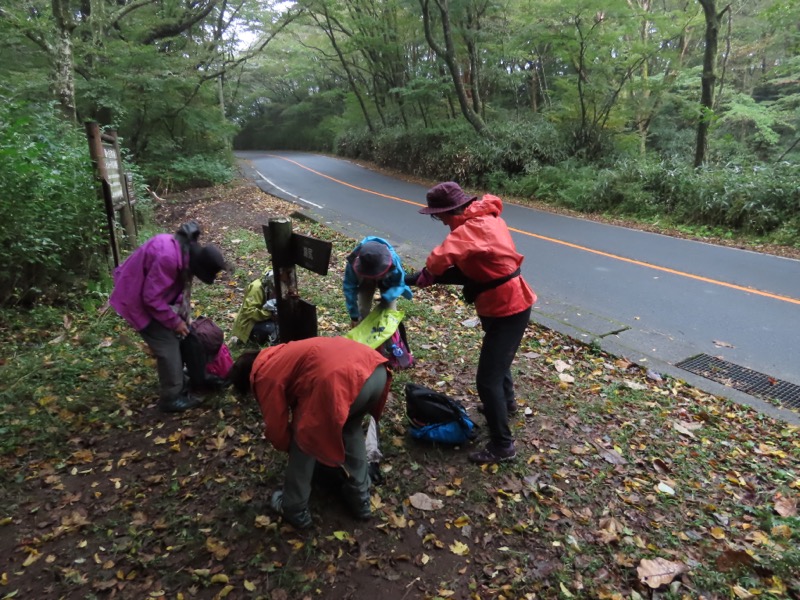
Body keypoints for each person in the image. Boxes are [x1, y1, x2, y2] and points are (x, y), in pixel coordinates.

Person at [407, 182, 536, 465]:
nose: (438, 220)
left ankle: (503, 446)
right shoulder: (484, 218)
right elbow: (466, 269)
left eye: (438, 215)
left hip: (508, 306)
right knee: (497, 362)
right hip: (501, 302)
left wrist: (428, 273)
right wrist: (418, 278)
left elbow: (441, 258)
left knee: (486, 380)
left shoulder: (472, 229)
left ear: (449, 211)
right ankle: (508, 404)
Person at [229, 337, 391, 529]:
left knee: (304, 437)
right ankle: (361, 498)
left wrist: (293, 446)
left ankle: (293, 507)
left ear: (247, 380)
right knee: (351, 427)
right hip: (375, 372)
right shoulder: (282, 352)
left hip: (342, 380)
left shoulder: (264, 374)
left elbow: (276, 429)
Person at [109, 221, 229, 413]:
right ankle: (171, 396)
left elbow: (174, 288)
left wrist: (183, 316)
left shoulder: (183, 252)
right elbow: (151, 298)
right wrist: (174, 321)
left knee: (186, 335)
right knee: (167, 344)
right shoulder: (168, 258)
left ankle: (196, 377)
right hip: (135, 298)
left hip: (151, 295)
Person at [343, 236, 413, 327]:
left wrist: (387, 297)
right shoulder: (354, 261)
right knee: (362, 309)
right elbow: (349, 288)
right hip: (365, 279)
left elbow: (399, 283)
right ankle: (360, 333)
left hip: (388, 282)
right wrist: (354, 316)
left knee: (390, 313)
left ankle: (390, 337)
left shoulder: (393, 261)